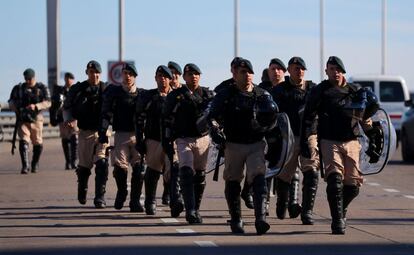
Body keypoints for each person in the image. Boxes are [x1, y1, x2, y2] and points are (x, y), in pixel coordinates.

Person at [301, 56, 380, 234]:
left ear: (342, 71)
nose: (334, 72)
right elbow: (308, 117)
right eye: (331, 69)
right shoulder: (320, 91)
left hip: (351, 140)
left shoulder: (355, 91)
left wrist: (373, 138)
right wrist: (306, 141)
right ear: (326, 71)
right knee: (335, 181)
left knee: (352, 186)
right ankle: (337, 221)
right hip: (329, 141)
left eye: (337, 69)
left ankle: (341, 208)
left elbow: (364, 117)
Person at [208, 59, 278, 235]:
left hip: (256, 143)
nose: (247, 76)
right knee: (233, 180)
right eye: (242, 72)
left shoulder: (262, 94)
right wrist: (216, 132)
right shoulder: (226, 94)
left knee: (259, 177)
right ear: (234, 74)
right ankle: (236, 218)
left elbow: (274, 120)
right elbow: (212, 116)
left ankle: (260, 219)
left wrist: (274, 143)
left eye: (249, 72)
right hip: (233, 144)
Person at [162, 63, 214, 224]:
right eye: (190, 74)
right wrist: (167, 141)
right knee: (185, 170)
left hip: (203, 139)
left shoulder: (208, 94)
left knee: (199, 175)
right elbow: (166, 119)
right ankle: (190, 210)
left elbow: (216, 114)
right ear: (184, 77)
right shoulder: (176, 95)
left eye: (196, 74)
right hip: (183, 139)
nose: (193, 77)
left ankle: (196, 209)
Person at [270, 57, 320, 225]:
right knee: (285, 175)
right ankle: (282, 202)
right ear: (289, 70)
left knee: (311, 171)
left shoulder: (313, 89)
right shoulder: (279, 91)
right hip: (289, 137)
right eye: (295, 68)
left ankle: (307, 212)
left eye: (301, 68)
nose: (299, 71)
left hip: (309, 135)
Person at [63, 60, 109, 208]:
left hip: (102, 132)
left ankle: (99, 197)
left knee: (102, 163)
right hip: (85, 132)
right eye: (91, 72)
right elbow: (67, 107)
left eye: (96, 72)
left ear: (100, 74)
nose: (94, 75)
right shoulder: (78, 89)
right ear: (87, 73)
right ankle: (82, 189)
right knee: (84, 166)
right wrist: (68, 119)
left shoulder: (106, 88)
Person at [99, 63, 143, 212]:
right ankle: (122, 191)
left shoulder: (142, 95)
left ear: (135, 77)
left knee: (139, 169)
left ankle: (135, 201)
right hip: (121, 135)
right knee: (120, 168)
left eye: (130, 74)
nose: (127, 76)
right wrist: (103, 131)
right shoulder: (115, 93)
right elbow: (106, 113)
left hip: (138, 136)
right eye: (125, 73)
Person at [135, 65, 178, 215]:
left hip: (173, 141)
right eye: (160, 76)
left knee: (174, 171)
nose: (163, 79)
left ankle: (175, 201)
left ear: (170, 79)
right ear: (155, 78)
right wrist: (139, 140)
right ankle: (150, 201)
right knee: (152, 172)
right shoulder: (148, 97)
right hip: (153, 140)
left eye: (165, 77)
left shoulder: (177, 96)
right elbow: (139, 119)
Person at [213, 57, 255, 210]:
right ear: (232, 70)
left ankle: (247, 192)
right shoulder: (223, 89)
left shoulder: (255, 90)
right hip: (230, 138)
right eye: (236, 68)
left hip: (252, 139)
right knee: (232, 175)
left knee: (256, 171)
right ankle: (234, 209)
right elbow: (214, 113)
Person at [8, 68, 51, 174]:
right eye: (26, 79)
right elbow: (11, 101)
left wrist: (36, 106)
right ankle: (25, 166)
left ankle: (34, 164)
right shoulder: (19, 88)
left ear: (34, 77)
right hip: (23, 119)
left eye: (29, 79)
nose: (27, 81)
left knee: (37, 143)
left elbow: (48, 102)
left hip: (37, 119)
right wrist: (17, 109)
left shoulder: (42, 88)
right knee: (23, 141)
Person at [50, 72, 78, 170]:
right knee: (65, 139)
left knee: (75, 138)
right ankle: (68, 161)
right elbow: (55, 104)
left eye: (70, 78)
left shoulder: (76, 90)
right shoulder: (61, 91)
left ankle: (74, 161)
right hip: (63, 118)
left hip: (74, 118)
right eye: (67, 78)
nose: (68, 80)